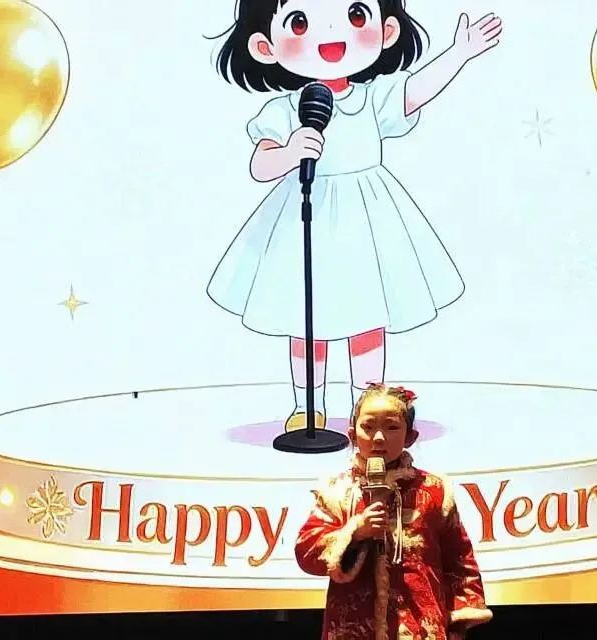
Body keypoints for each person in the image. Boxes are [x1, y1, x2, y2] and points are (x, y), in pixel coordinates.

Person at [207, 1, 503, 431]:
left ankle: (369, 404)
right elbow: (260, 164)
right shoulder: (285, 109)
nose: (331, 34)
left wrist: (459, 53)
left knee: (367, 313)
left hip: (367, 219)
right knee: (306, 318)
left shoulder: (371, 97)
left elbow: (414, 92)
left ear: (387, 31)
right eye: (300, 22)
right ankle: (307, 404)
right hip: (304, 217)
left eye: (356, 15)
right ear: (264, 46)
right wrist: (290, 152)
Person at [294, 383, 492, 639]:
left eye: (391, 427)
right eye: (368, 427)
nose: (378, 437)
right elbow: (307, 552)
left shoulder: (434, 490)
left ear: (410, 437)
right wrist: (356, 532)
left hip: (421, 629)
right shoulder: (336, 490)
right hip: (352, 629)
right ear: (352, 435)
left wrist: (456, 626)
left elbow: (459, 560)